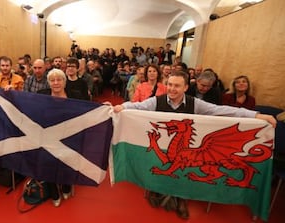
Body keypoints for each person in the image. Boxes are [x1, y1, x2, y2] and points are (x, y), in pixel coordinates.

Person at [111, 71, 276, 219]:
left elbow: (222, 110)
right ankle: (158, 192)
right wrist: (121, 106)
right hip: (163, 149)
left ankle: (180, 197)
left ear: (185, 87)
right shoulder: (156, 101)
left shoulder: (195, 103)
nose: (172, 89)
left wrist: (257, 116)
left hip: (186, 153)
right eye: (169, 84)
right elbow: (137, 106)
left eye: (177, 86)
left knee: (186, 169)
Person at [37, 68, 74, 207]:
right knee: (48, 161)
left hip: (69, 136)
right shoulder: (41, 95)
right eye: (52, 80)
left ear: (65, 82)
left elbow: (89, 110)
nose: (56, 83)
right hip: (48, 136)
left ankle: (66, 185)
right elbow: (24, 103)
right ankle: (53, 190)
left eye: (59, 79)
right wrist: (9, 92)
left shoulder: (75, 96)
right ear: (48, 83)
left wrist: (106, 108)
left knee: (67, 160)